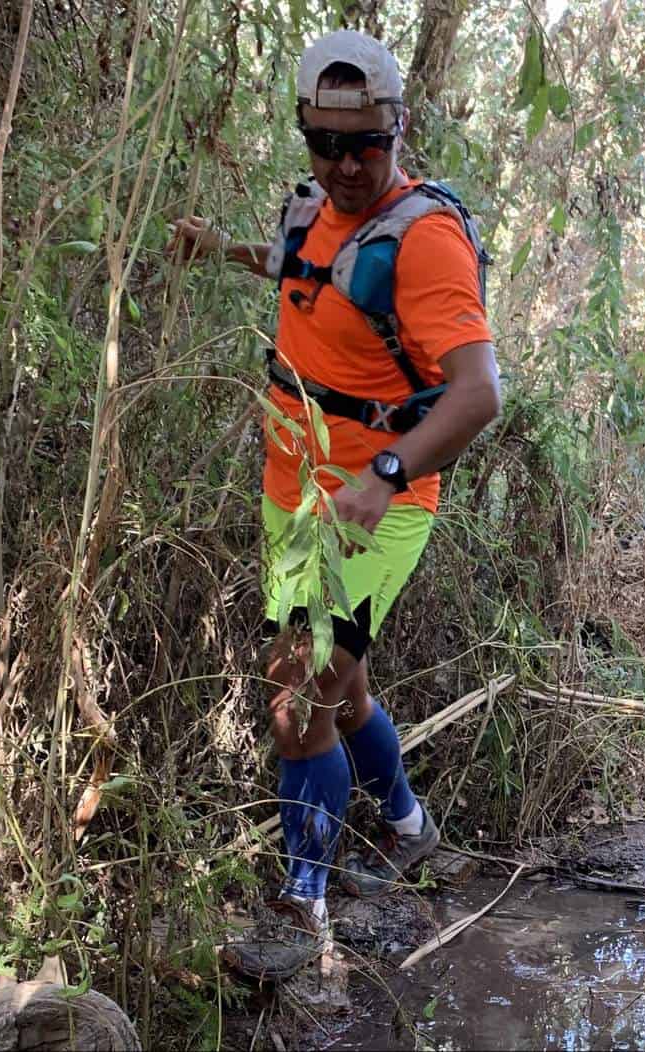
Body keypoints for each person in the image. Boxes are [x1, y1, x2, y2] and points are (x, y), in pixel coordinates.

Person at [167, 29, 501, 980]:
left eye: (369, 144)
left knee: (297, 689)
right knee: (341, 688)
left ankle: (300, 909)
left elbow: (479, 393)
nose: (349, 165)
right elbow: (303, 277)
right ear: (306, 135)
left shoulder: (426, 239)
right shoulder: (313, 208)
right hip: (294, 489)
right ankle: (410, 829)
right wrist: (220, 248)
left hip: (374, 506)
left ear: (401, 129)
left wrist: (383, 475)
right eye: (327, 143)